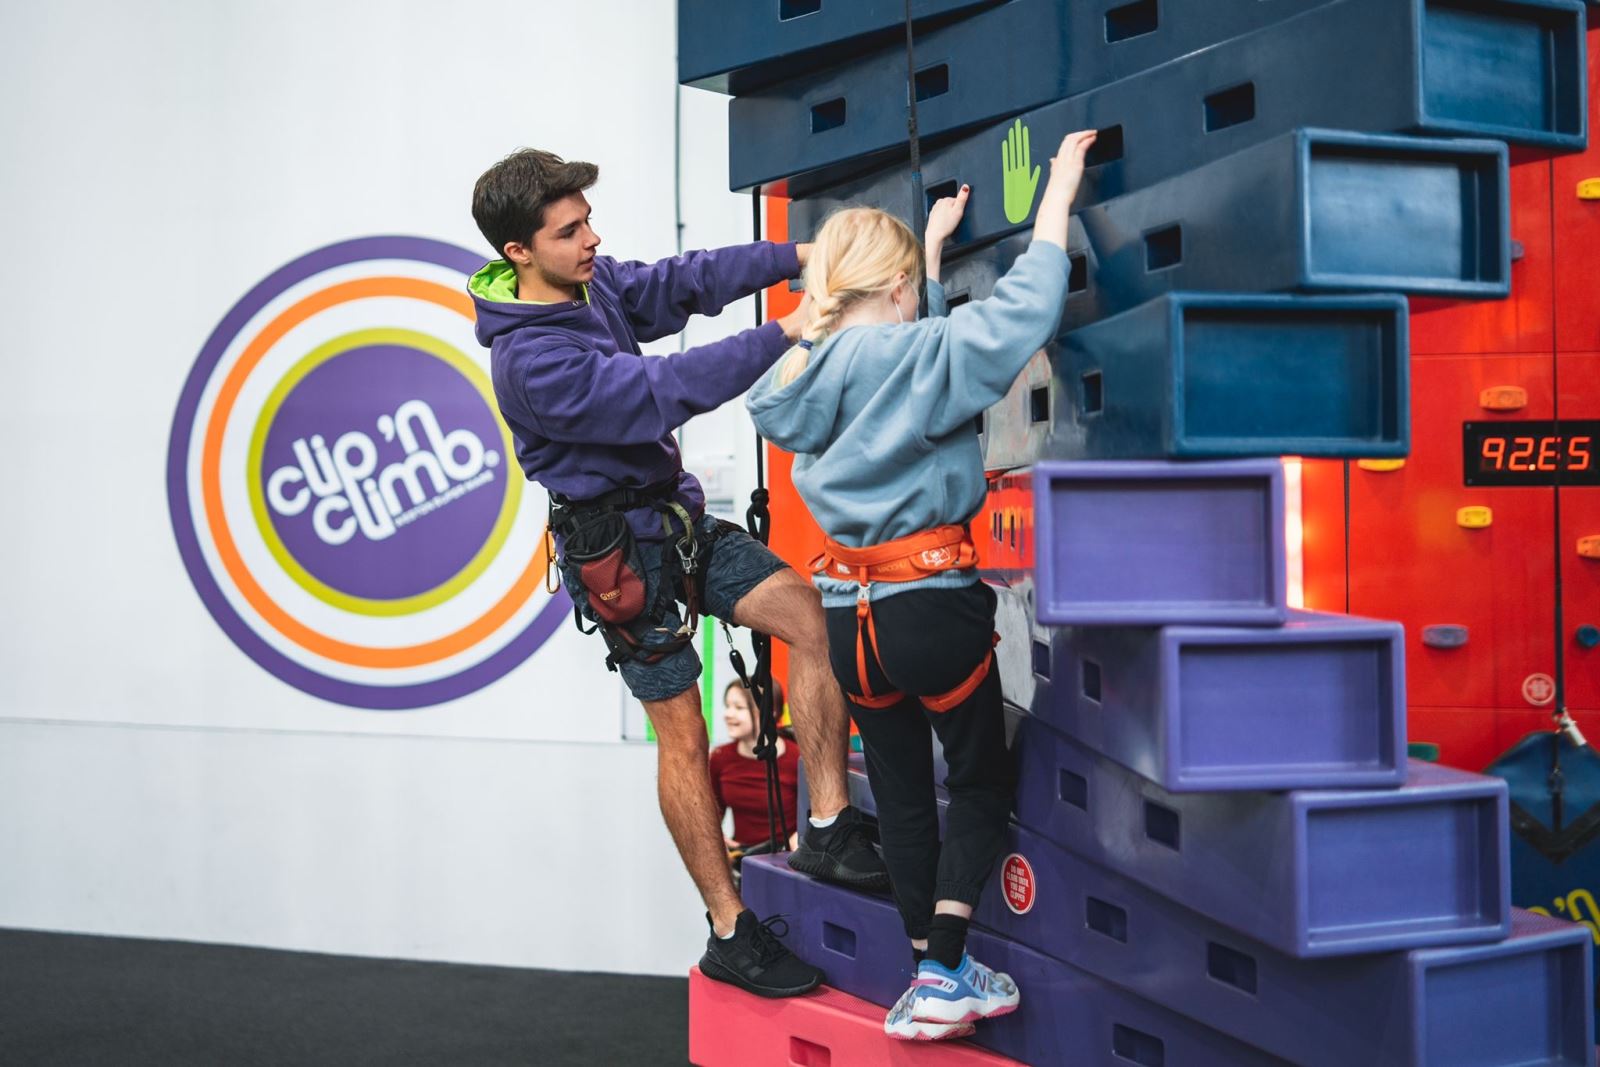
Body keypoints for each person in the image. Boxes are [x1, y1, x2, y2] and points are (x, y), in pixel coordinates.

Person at [468, 149, 888, 999]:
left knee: (808, 616)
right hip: (618, 552)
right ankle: (731, 930)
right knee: (684, 734)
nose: (593, 239)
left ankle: (828, 823)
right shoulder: (528, 361)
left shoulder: (589, 285)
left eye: (587, 220)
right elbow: (661, 389)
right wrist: (788, 329)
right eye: (570, 230)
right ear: (519, 250)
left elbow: (679, 281)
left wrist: (798, 255)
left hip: (676, 517)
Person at [746, 130, 1099, 1038]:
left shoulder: (802, 377)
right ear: (899, 291)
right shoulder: (924, 352)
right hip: (931, 603)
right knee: (980, 777)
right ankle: (946, 967)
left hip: (849, 619)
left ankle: (925, 971)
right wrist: (1056, 193)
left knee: (902, 794)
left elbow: (893, 367)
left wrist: (928, 254)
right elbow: (1023, 310)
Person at [712, 680, 800, 854]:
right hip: (742, 859)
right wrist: (717, 841)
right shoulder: (720, 758)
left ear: (770, 712)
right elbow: (713, 811)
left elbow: (813, 814)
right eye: (727, 706)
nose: (728, 714)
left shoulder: (797, 758)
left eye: (738, 708)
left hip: (786, 859)